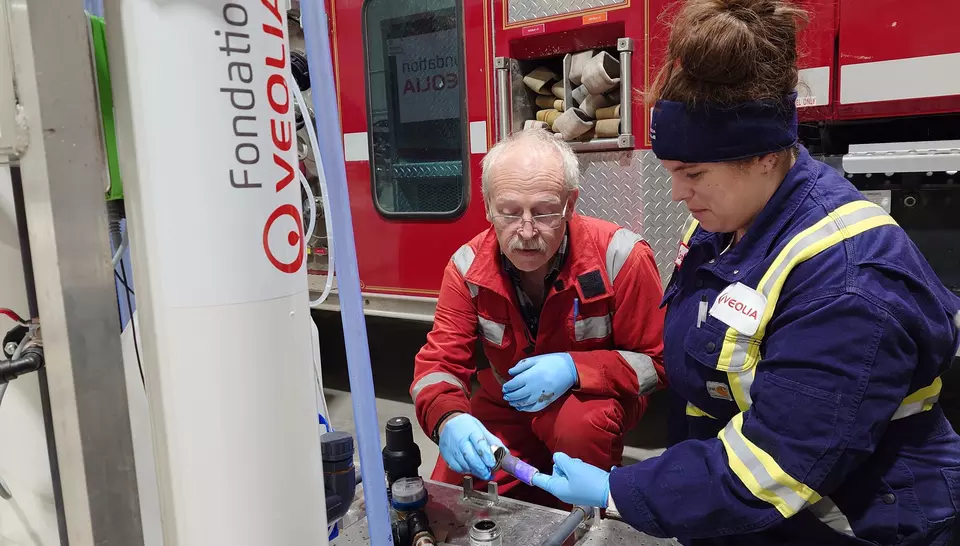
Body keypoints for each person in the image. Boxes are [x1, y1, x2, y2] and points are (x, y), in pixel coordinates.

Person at [531, 0, 960, 544]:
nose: (677, 192)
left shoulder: (851, 284)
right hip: (747, 511)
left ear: (764, 156)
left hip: (857, 518)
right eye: (670, 171)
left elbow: (774, 468)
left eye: (693, 173)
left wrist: (623, 490)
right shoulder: (722, 224)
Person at [409, 128, 667, 506]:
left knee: (582, 426)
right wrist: (448, 419)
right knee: (452, 489)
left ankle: (587, 516)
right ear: (487, 207)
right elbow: (439, 364)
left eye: (544, 211)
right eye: (510, 213)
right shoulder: (467, 268)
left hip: (588, 399)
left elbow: (658, 361)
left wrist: (577, 368)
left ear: (571, 203)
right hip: (507, 402)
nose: (527, 232)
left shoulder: (621, 257)